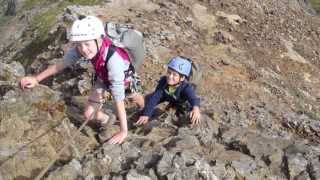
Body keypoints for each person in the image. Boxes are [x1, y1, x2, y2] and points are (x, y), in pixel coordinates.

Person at [20, 16, 144, 144]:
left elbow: (119, 96)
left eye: (87, 44)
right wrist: (36, 79)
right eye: (79, 45)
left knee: (133, 95)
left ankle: (143, 108)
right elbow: (62, 64)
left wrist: (124, 131)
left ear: (98, 39)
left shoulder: (114, 60)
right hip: (103, 76)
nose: (83, 49)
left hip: (123, 78)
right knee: (88, 114)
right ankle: (107, 119)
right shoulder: (84, 47)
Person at [136, 56, 201, 126]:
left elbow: (193, 98)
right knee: (148, 99)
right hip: (168, 96)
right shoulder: (164, 81)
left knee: (189, 117)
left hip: (182, 103)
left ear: (182, 78)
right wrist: (146, 114)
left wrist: (196, 109)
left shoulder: (185, 87)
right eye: (169, 72)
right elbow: (155, 97)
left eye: (174, 75)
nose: (170, 76)